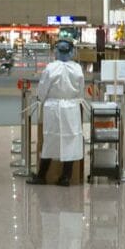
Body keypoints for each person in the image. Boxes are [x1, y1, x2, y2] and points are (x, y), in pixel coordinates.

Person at [27, 39, 85, 187]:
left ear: (56, 51)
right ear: (72, 52)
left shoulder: (50, 68)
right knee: (70, 140)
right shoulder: (77, 68)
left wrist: (41, 99)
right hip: (71, 107)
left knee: (50, 140)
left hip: (53, 108)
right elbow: (81, 91)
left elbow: (42, 90)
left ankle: (42, 176)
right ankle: (66, 177)